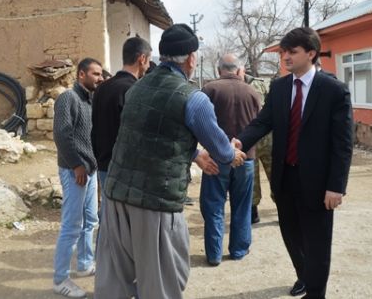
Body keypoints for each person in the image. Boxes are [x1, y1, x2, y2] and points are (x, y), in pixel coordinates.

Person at [95, 24, 246, 299]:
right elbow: (222, 152)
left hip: (116, 196)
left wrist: (195, 154)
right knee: (161, 285)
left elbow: (156, 134)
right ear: (191, 58)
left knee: (114, 283)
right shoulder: (193, 99)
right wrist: (232, 152)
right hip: (155, 202)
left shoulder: (136, 90)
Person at [236, 27, 353, 299]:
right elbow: (262, 122)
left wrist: (336, 186)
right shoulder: (279, 87)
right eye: (284, 52)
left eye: (292, 52)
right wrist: (240, 141)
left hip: (318, 182)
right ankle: (304, 276)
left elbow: (343, 144)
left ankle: (315, 293)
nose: (286, 57)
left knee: (317, 241)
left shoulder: (333, 91)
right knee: (291, 235)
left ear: (311, 54)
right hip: (285, 177)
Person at [200, 54, 260, 266]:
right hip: (246, 158)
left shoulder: (209, 90)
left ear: (219, 70)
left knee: (214, 206)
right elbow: (259, 125)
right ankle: (239, 250)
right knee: (242, 206)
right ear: (238, 70)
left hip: (216, 158)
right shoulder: (252, 91)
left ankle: (214, 254)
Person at [52, 58, 104, 298]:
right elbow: (62, 134)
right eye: (95, 74)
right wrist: (76, 165)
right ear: (81, 74)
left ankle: (85, 264)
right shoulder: (68, 98)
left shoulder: (90, 100)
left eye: (100, 74)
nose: (100, 78)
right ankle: (60, 279)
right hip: (75, 172)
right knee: (72, 225)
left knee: (91, 220)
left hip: (90, 171)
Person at [91, 37, 152, 198]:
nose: (147, 66)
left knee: (109, 216)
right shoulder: (135, 90)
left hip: (104, 166)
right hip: (127, 170)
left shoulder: (101, 89)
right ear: (142, 58)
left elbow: (94, 129)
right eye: (148, 61)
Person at [244, 73, 273, 224]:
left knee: (275, 175)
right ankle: (253, 212)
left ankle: (283, 208)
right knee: (252, 178)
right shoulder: (236, 86)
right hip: (251, 139)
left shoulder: (260, 84)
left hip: (266, 139)